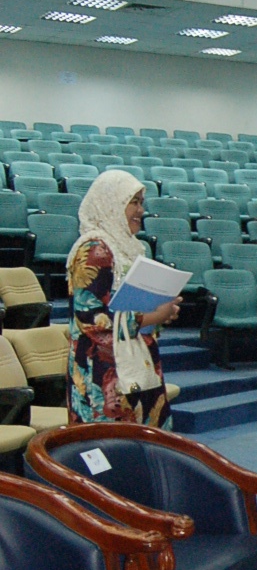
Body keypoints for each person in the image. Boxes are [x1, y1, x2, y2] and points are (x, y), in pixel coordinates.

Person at [66, 170, 181, 427]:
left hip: (134, 360)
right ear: (112, 204)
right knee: (111, 445)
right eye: (133, 202)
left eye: (141, 202)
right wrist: (153, 316)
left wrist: (162, 313)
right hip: (103, 371)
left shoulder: (129, 248)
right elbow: (91, 318)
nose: (141, 210)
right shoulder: (93, 250)